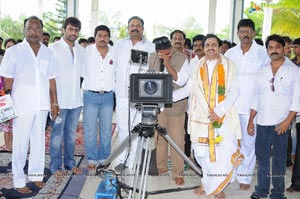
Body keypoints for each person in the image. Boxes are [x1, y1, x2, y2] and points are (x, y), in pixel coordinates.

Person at [174, 34, 243, 198]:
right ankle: (206, 183)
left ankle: (218, 188)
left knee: (222, 153)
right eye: (207, 45)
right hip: (201, 117)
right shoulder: (197, 66)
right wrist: (167, 97)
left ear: (219, 47)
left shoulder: (229, 65)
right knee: (201, 153)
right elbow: (188, 87)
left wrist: (220, 110)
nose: (210, 47)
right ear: (203, 48)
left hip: (222, 117)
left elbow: (234, 90)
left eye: (214, 44)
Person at [0, 16, 59, 194]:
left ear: (42, 30)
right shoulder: (14, 52)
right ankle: (19, 180)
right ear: (25, 30)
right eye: (30, 28)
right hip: (21, 105)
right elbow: (7, 80)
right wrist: (5, 106)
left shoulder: (48, 53)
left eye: (37, 28)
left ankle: (35, 175)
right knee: (20, 142)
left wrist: (55, 102)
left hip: (42, 105)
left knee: (38, 141)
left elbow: (51, 80)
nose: (33, 31)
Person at [247, 34, 300, 199]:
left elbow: (297, 99)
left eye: (278, 47)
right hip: (262, 121)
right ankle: (261, 190)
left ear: (284, 48)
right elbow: (256, 97)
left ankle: (277, 193)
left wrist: (287, 122)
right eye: (270, 47)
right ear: (267, 50)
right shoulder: (262, 71)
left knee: (278, 161)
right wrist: (251, 121)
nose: (274, 50)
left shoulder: (294, 70)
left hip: (281, 123)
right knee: (262, 159)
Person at [225, 18, 269, 190]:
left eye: (249, 31)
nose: (246, 34)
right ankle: (230, 174)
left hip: (252, 108)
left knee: (248, 144)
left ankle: (245, 177)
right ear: (238, 33)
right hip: (231, 107)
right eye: (243, 31)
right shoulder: (230, 54)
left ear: (254, 33)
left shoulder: (262, 53)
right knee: (230, 143)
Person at [113, 16, 155, 171]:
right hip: (122, 94)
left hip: (139, 96)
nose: (134, 28)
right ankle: (121, 160)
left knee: (137, 129)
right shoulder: (119, 45)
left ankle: (133, 162)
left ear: (143, 28)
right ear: (128, 28)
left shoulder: (151, 47)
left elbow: (153, 71)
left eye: (138, 25)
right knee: (123, 128)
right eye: (132, 25)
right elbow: (113, 67)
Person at [149, 36, 189, 185]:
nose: (163, 53)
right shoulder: (152, 57)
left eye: (166, 50)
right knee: (160, 138)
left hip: (176, 105)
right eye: (160, 51)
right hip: (159, 105)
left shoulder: (182, 58)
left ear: (170, 47)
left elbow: (180, 80)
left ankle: (178, 172)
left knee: (177, 139)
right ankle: (161, 166)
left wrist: (166, 62)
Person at [49, 17, 85, 178]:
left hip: (76, 100)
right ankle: (55, 166)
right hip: (59, 101)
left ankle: (70, 164)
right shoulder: (53, 49)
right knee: (57, 135)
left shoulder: (81, 50)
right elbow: (49, 77)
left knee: (70, 134)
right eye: (70, 29)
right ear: (63, 30)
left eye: (76, 30)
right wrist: (53, 102)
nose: (73, 33)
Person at [82, 25, 115, 170]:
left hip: (108, 96)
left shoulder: (115, 53)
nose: (103, 38)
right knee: (90, 129)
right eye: (100, 35)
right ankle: (92, 158)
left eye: (106, 36)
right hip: (90, 95)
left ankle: (104, 157)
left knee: (106, 129)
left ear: (109, 37)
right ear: (95, 37)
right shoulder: (86, 52)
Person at [0, 38, 16, 151]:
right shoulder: (2, 62)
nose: (10, 49)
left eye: (12, 47)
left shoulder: (19, 62)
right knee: (6, 125)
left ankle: (13, 145)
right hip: (4, 97)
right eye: (8, 47)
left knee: (14, 126)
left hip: (17, 97)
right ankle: (7, 146)